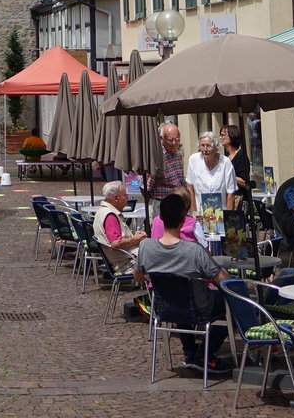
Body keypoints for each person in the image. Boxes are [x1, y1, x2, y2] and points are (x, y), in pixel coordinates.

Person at [135, 193, 231, 374]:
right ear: (183, 219)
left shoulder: (146, 247)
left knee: (177, 294)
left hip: (166, 307)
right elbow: (223, 281)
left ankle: (190, 352)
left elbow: (138, 277)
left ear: (161, 218)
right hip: (199, 306)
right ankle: (205, 355)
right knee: (230, 304)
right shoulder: (194, 251)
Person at [92, 180, 148, 256]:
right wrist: (136, 239)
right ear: (115, 197)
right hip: (128, 262)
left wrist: (134, 236)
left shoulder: (103, 211)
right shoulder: (110, 216)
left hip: (128, 257)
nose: (127, 198)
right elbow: (116, 244)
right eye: (125, 195)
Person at [186, 131, 236, 215]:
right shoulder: (193, 160)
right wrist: (193, 213)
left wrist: (228, 218)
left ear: (215, 147)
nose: (205, 149)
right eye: (202, 145)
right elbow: (190, 188)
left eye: (208, 146)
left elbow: (231, 193)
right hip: (200, 214)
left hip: (220, 215)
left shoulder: (225, 162)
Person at [148, 122, 185, 217]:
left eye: (177, 140)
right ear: (161, 139)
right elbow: (145, 187)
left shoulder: (178, 154)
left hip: (177, 203)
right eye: (170, 140)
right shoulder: (157, 157)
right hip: (161, 204)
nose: (174, 143)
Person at [219, 125, 250, 191]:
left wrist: (225, 175)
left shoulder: (241, 156)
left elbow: (244, 182)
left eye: (223, 135)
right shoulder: (226, 156)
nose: (220, 138)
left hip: (238, 197)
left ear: (232, 136)